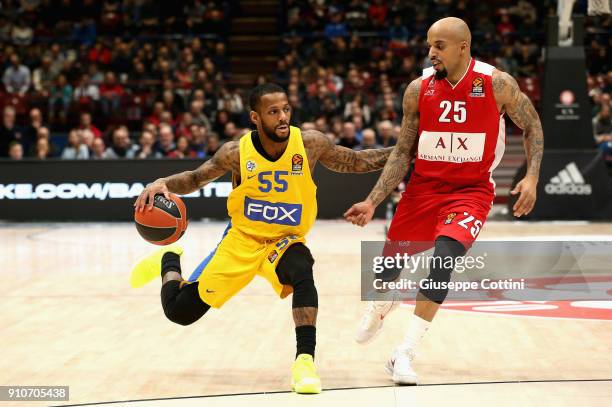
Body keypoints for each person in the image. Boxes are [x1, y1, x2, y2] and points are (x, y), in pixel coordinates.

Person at [131, 83, 392, 394]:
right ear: (256, 117)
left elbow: (358, 161)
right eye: (273, 112)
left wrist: (405, 148)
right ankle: (168, 259)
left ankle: (304, 362)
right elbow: (196, 177)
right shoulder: (236, 153)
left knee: (302, 271)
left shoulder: (309, 143)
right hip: (242, 239)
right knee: (179, 312)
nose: (283, 117)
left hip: (284, 240)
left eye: (286, 110)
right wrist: (163, 181)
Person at [344, 17, 544, 385]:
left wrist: (531, 177)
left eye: (439, 45)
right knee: (389, 268)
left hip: (470, 192)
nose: (431, 52)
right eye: (430, 45)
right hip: (423, 189)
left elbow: (531, 124)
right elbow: (403, 150)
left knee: (444, 259)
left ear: (462, 47)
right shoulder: (418, 89)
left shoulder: (496, 83)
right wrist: (373, 201)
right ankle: (383, 301)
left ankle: (403, 353)